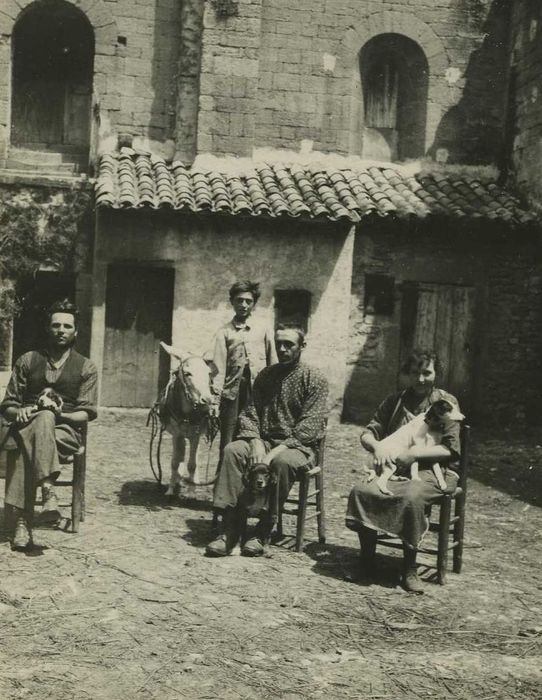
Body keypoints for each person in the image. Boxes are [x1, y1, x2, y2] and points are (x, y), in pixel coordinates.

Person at [206, 325, 329, 557]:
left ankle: (262, 532)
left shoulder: (315, 379)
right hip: (264, 441)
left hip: (297, 447)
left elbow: (308, 428)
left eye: (289, 345)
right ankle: (230, 530)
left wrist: (272, 453)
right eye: (279, 344)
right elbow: (250, 412)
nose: (282, 349)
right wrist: (254, 440)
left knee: (280, 463)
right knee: (233, 450)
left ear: (302, 347)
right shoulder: (266, 375)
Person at [345, 349, 461, 594]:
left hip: (435, 470)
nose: (420, 379)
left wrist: (415, 455)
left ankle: (409, 568)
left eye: (427, 373)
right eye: (414, 373)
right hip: (396, 466)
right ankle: (366, 562)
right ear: (406, 374)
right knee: (361, 490)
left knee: (411, 497)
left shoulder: (444, 402)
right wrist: (376, 447)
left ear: (436, 373)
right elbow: (368, 432)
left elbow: (451, 449)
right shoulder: (395, 401)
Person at [0, 299, 98, 550]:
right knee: (32, 430)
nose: (61, 330)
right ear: (48, 329)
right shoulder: (27, 360)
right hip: (26, 426)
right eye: (56, 325)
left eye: (67, 326)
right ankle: (47, 490)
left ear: (76, 332)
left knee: (38, 426)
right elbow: (8, 405)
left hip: (64, 432)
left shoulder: (86, 367)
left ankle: (22, 521)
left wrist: (59, 414)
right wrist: (19, 409)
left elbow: (86, 414)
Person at [211, 280, 277, 458]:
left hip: (259, 391)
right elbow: (218, 368)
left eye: (248, 301)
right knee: (229, 436)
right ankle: (226, 477)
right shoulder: (224, 332)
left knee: (258, 433)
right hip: (233, 393)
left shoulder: (263, 329)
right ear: (232, 302)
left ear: (254, 304)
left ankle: (256, 477)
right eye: (239, 300)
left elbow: (273, 362)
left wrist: (274, 391)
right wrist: (216, 400)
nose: (243, 305)